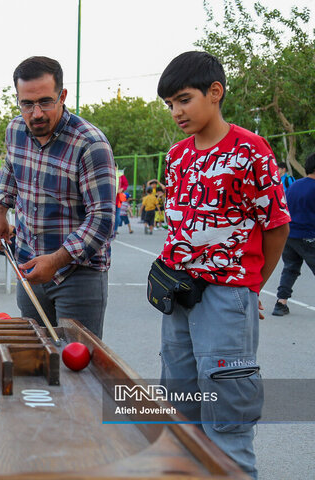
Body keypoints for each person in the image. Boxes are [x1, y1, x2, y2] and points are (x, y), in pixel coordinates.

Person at [155, 51, 290, 478]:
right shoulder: (176, 157)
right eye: (170, 105)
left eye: (183, 99)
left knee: (227, 423)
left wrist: (251, 287)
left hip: (227, 298)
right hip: (177, 297)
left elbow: (276, 226)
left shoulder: (251, 149)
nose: (176, 112)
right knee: (179, 417)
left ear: (216, 93)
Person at [0, 56, 116, 339]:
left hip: (77, 274)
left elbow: (103, 219)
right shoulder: (14, 131)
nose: (36, 114)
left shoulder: (90, 144)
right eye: (27, 104)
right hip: (29, 266)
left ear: (63, 96)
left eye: (45, 102)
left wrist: (56, 260)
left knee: (78, 364)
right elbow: (10, 173)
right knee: (35, 356)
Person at [272, 152, 315, 316]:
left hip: (289, 235)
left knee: (290, 268)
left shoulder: (295, 185)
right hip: (308, 235)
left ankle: (280, 303)